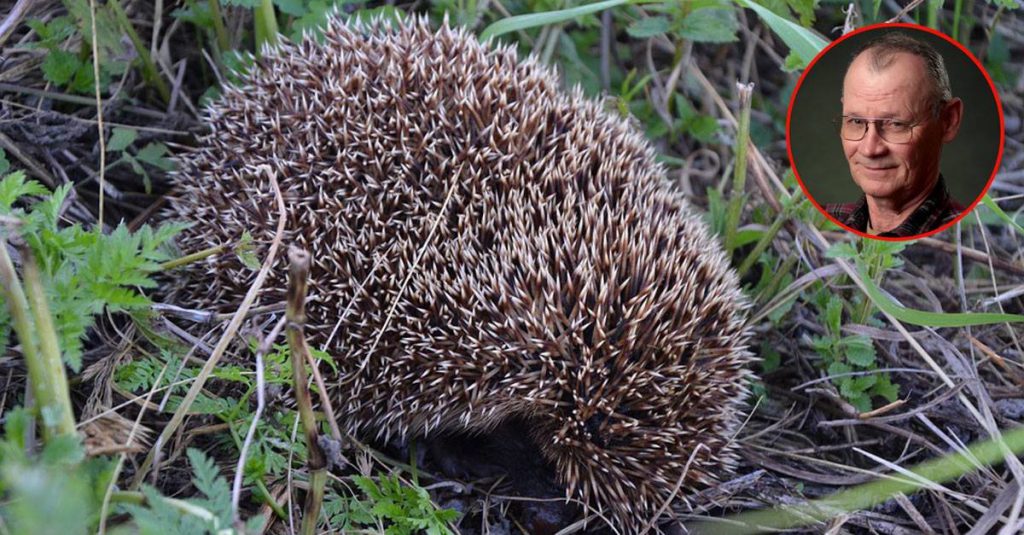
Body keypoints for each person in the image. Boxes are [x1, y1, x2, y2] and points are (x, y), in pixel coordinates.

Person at [825, 32, 965, 237]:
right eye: (856, 121)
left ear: (948, 121)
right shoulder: (820, 223)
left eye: (896, 125)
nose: (870, 149)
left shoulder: (967, 237)